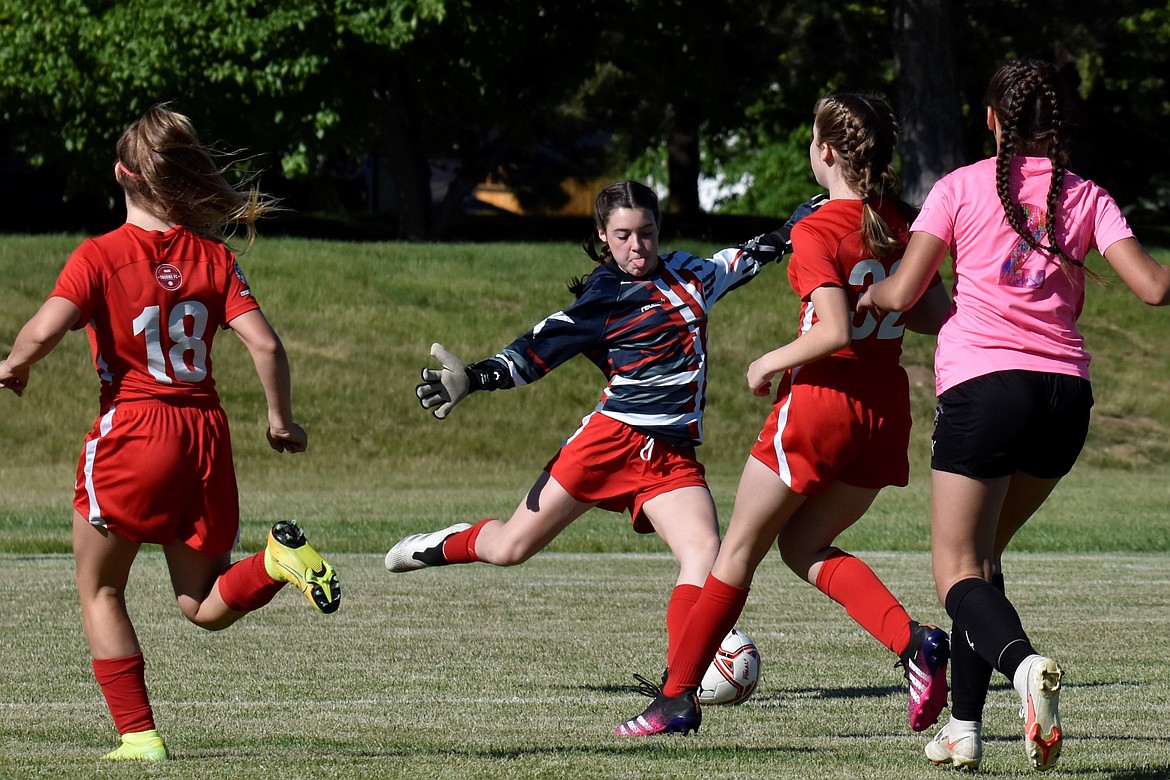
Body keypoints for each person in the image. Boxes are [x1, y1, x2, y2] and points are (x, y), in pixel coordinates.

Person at [0, 105, 341, 762]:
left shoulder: (99, 255)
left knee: (100, 589)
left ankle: (138, 736)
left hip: (133, 430)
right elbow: (266, 346)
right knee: (203, 603)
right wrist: (280, 421)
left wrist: (14, 366)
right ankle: (274, 563)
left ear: (121, 175)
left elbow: (43, 330)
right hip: (203, 435)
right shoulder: (213, 258)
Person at [857, 59, 1170, 772]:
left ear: (992, 120)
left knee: (956, 569)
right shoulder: (1087, 195)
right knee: (984, 561)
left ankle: (1025, 668)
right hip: (1065, 399)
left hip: (985, 391)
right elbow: (1153, 287)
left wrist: (871, 300)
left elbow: (906, 291)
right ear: (1055, 124)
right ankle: (964, 729)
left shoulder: (959, 187)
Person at [386, 179, 817, 690]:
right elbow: (533, 352)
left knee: (705, 552)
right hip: (608, 445)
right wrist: (474, 378)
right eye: (624, 236)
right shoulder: (603, 298)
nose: (638, 246)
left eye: (647, 232)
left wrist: (795, 226)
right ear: (603, 236)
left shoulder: (691, 275)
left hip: (671, 456)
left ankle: (678, 688)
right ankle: (435, 545)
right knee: (509, 548)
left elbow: (745, 257)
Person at [615, 92, 953, 738]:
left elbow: (830, 332)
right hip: (883, 416)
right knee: (802, 547)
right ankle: (915, 645)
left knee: (735, 552)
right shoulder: (904, 222)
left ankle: (675, 699)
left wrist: (768, 361)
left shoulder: (816, 228)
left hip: (819, 407)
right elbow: (940, 317)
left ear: (825, 152)